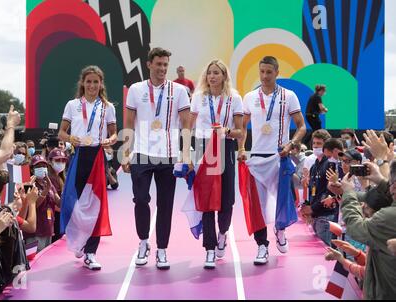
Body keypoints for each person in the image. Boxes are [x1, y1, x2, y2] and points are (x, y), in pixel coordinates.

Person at [123, 47, 192, 270]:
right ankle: (143, 243)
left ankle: (162, 249)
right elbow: (128, 122)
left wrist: (186, 153)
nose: (162, 68)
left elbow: (186, 124)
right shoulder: (135, 89)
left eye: (165, 65)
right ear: (149, 65)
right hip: (142, 154)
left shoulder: (180, 91)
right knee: (141, 200)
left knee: (165, 205)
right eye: (159, 64)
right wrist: (125, 152)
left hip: (168, 156)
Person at [238, 56, 306, 265]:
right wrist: (241, 148)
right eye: (262, 72)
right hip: (257, 159)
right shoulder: (249, 97)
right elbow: (241, 127)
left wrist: (291, 144)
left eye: (269, 72)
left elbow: (301, 126)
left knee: (284, 200)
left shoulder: (289, 96)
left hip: (280, 156)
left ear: (277, 72)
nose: (265, 76)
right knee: (257, 206)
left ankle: (280, 229)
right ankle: (261, 246)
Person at [58, 65, 117, 270]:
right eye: (88, 81)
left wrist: (110, 139)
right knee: (73, 203)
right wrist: (69, 138)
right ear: (82, 83)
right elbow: (61, 133)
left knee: (96, 205)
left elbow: (114, 133)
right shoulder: (72, 105)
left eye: (96, 81)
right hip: (79, 155)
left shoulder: (108, 107)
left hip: (97, 157)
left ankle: (91, 252)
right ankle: (78, 241)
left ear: (101, 84)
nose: (92, 85)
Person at [189, 59, 243, 269]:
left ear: (224, 76)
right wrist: (187, 154)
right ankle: (210, 249)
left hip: (226, 147)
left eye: (216, 73)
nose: (212, 76)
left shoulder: (234, 99)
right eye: (209, 72)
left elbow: (240, 132)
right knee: (207, 200)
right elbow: (189, 127)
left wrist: (227, 131)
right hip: (204, 149)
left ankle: (222, 234)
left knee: (226, 200)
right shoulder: (198, 98)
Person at [339, 161, 396, 299]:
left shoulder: (387, 217)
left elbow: (355, 227)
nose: (391, 187)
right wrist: (381, 181)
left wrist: (349, 194)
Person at [47, 148, 68, 242]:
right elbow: (50, 202)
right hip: (54, 218)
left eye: (63, 160)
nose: (61, 163)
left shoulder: (61, 177)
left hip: (61, 217)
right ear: (50, 161)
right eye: (57, 160)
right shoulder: (50, 178)